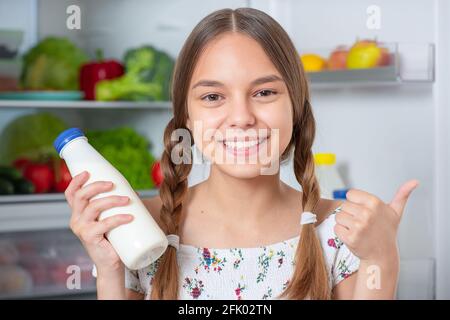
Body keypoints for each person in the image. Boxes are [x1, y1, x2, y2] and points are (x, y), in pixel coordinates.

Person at [65, 7, 418, 300]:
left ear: (295, 107)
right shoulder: (139, 228)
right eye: (213, 97)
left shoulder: (340, 232)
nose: (241, 118)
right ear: (185, 117)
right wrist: (110, 270)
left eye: (264, 92)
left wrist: (382, 256)